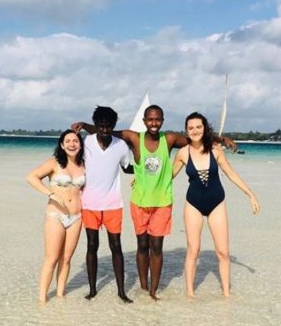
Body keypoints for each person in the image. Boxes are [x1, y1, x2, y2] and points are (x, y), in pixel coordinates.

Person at [75, 104, 237, 300]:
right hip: (140, 201)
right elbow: (106, 129)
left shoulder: (168, 139)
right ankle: (143, 287)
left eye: (157, 119)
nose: (154, 123)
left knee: (157, 248)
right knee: (142, 245)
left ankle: (153, 291)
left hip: (162, 202)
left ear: (162, 121)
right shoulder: (134, 137)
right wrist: (84, 125)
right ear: (144, 121)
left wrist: (222, 139)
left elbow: (197, 138)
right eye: (150, 119)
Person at [172, 112, 260, 297]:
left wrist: (250, 194)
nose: (195, 131)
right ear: (186, 131)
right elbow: (168, 177)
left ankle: (227, 294)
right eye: (190, 128)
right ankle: (190, 294)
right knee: (193, 251)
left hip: (216, 203)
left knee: (223, 252)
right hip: (193, 204)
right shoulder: (182, 153)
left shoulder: (216, 149)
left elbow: (231, 174)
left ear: (204, 128)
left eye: (198, 127)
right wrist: (140, 180)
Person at [73, 106, 134, 303]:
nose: (105, 130)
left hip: (113, 204)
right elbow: (72, 162)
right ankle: (92, 290)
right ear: (96, 125)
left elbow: (127, 168)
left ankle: (121, 291)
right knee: (92, 245)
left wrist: (149, 169)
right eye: (101, 126)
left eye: (109, 126)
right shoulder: (85, 143)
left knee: (116, 246)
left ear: (114, 126)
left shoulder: (121, 146)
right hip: (89, 203)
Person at [27, 130, 86, 304]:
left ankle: (60, 295)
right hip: (56, 215)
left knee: (66, 258)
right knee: (51, 258)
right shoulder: (54, 163)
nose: (72, 144)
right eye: (67, 141)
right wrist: (50, 193)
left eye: (75, 141)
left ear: (80, 144)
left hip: (76, 216)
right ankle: (42, 299)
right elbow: (32, 177)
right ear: (61, 145)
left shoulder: (84, 165)